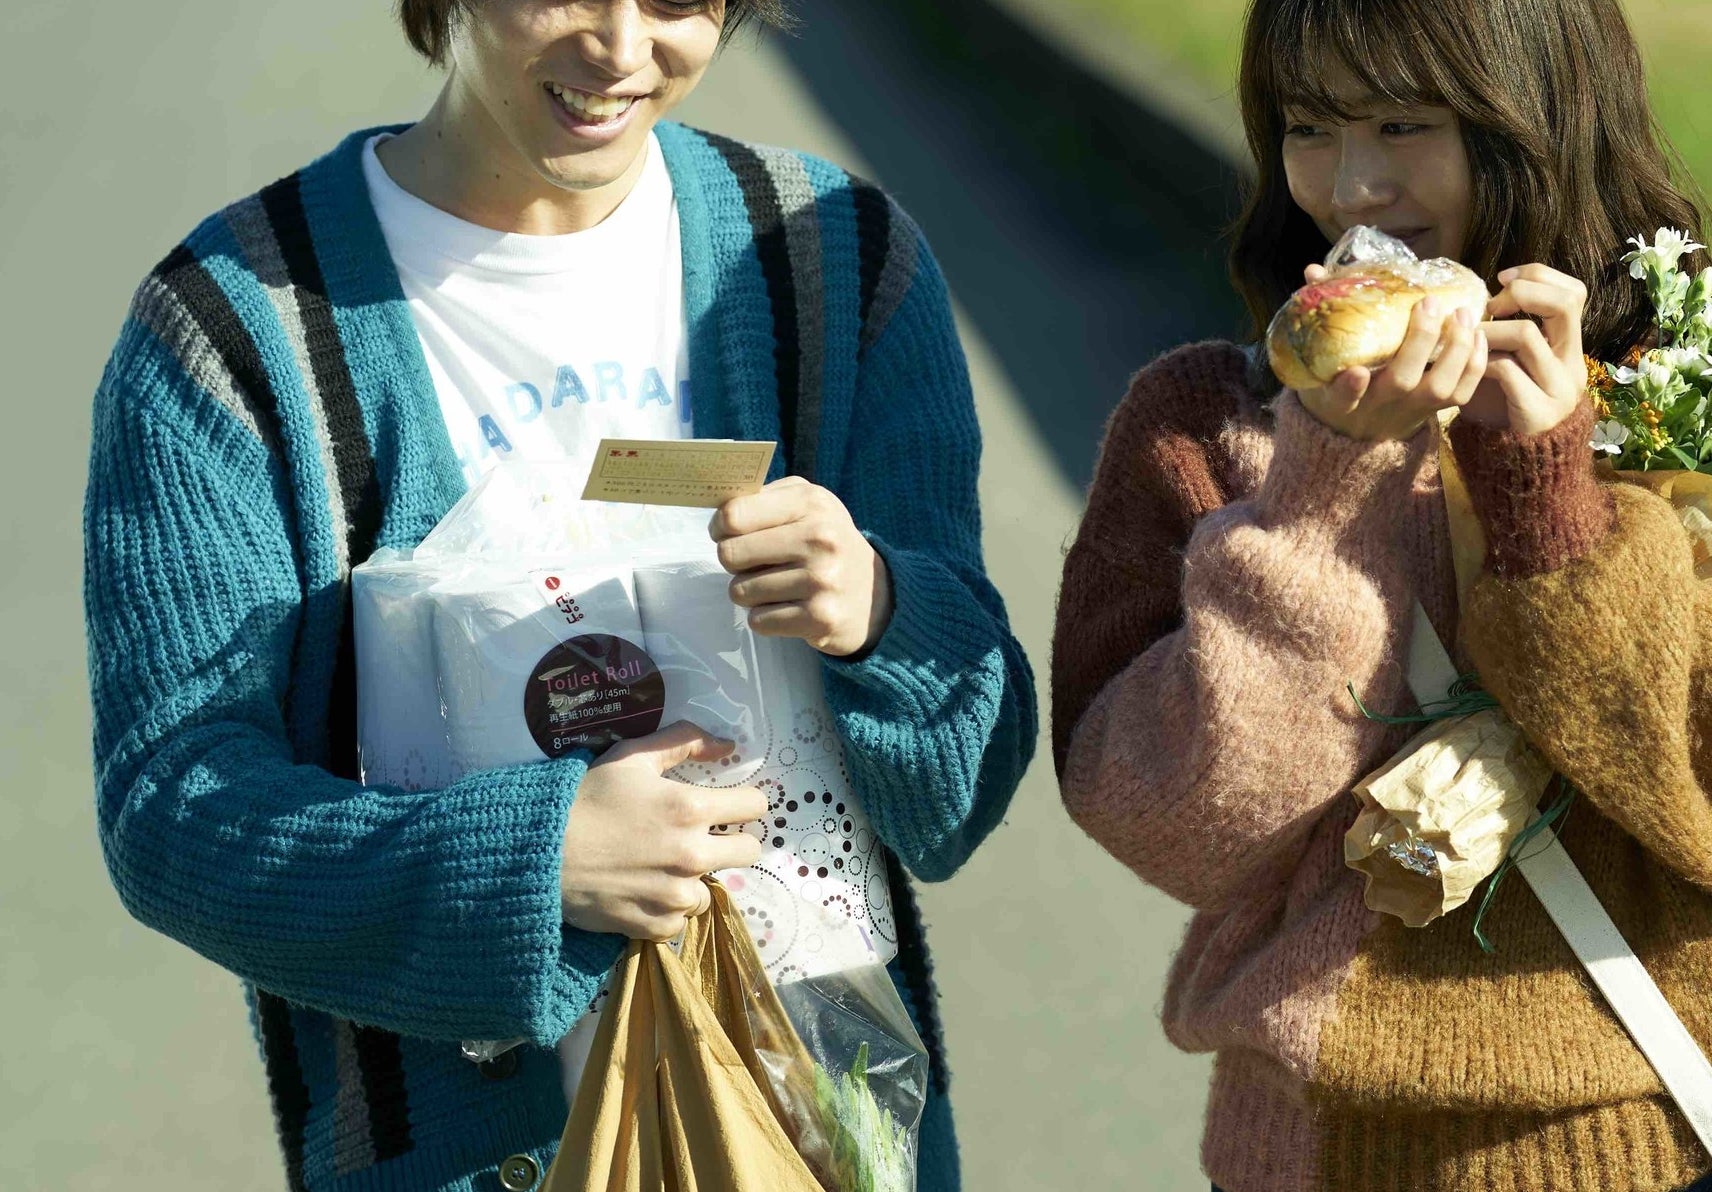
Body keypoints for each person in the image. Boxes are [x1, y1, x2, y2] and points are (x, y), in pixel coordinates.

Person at [82, 2, 1033, 1188]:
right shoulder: (234, 325)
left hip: (826, 1131)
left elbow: (961, 791)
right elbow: (172, 809)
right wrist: (535, 869)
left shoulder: (832, 260)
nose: (624, 48)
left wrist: (884, 613)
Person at [1050, 0, 1712, 1189]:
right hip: (1324, 1156)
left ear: (1538, 116)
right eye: (1310, 126)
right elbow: (1166, 816)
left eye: (1402, 122)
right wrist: (1321, 491)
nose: (1351, 186)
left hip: (1684, 1136)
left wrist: (1556, 510)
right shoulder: (1204, 427)